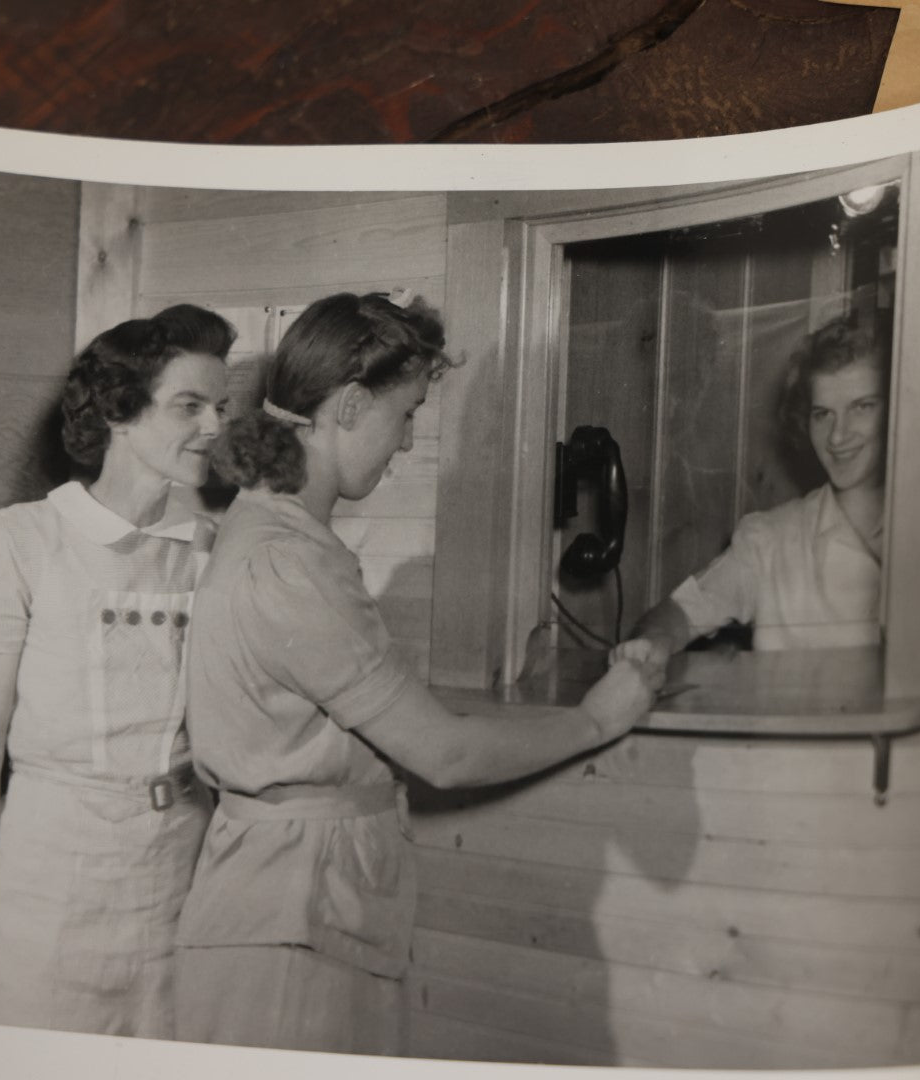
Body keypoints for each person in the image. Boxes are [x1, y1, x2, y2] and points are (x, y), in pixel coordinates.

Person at [172, 291, 664, 1056]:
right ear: (350, 404)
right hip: (287, 919)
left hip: (303, 903)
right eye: (405, 417)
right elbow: (444, 754)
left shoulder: (279, 532)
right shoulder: (287, 560)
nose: (405, 443)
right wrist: (599, 719)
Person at [0, 305, 235, 1036]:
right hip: (51, 880)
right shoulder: (17, 541)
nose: (214, 427)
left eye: (220, 407)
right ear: (120, 412)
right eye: (190, 406)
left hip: (181, 876)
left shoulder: (212, 548)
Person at [632, 311, 890, 655]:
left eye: (862, 407)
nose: (838, 436)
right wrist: (651, 647)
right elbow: (677, 614)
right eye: (822, 414)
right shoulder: (768, 540)